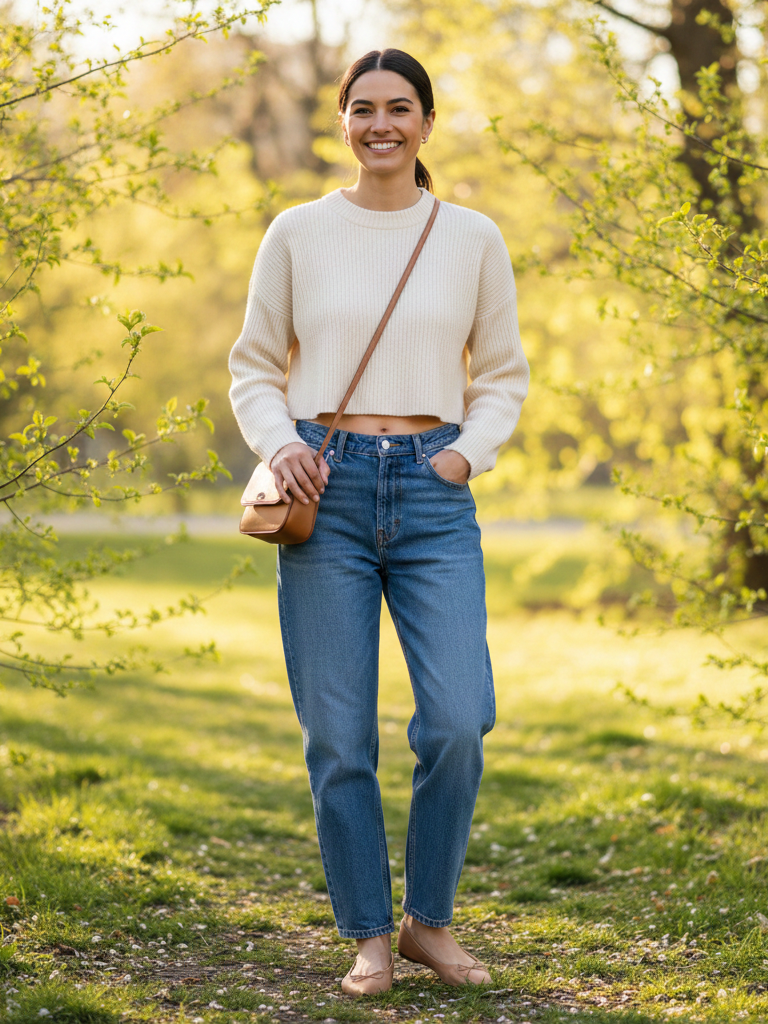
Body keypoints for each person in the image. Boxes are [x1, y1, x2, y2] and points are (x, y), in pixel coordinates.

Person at [229, 47, 529, 997]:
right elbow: (254, 365)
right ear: (344, 123)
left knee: (457, 722)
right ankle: (367, 934)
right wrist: (280, 443)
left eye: (401, 108)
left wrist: (461, 456)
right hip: (329, 486)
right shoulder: (297, 232)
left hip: (435, 492)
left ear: (428, 124)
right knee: (337, 734)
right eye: (363, 109)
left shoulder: (472, 236)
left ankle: (426, 922)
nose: (381, 124)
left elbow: (505, 375)